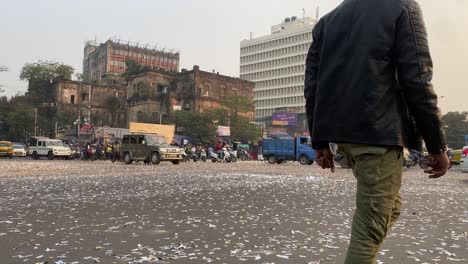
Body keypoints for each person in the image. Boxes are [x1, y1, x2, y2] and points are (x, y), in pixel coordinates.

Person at [304, 1, 450, 263]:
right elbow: (417, 79)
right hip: (378, 134)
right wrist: (437, 146)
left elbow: (313, 86)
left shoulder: (327, 21)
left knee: (389, 209)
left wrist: (321, 142)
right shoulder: (402, 8)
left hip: (347, 136)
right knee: (369, 230)